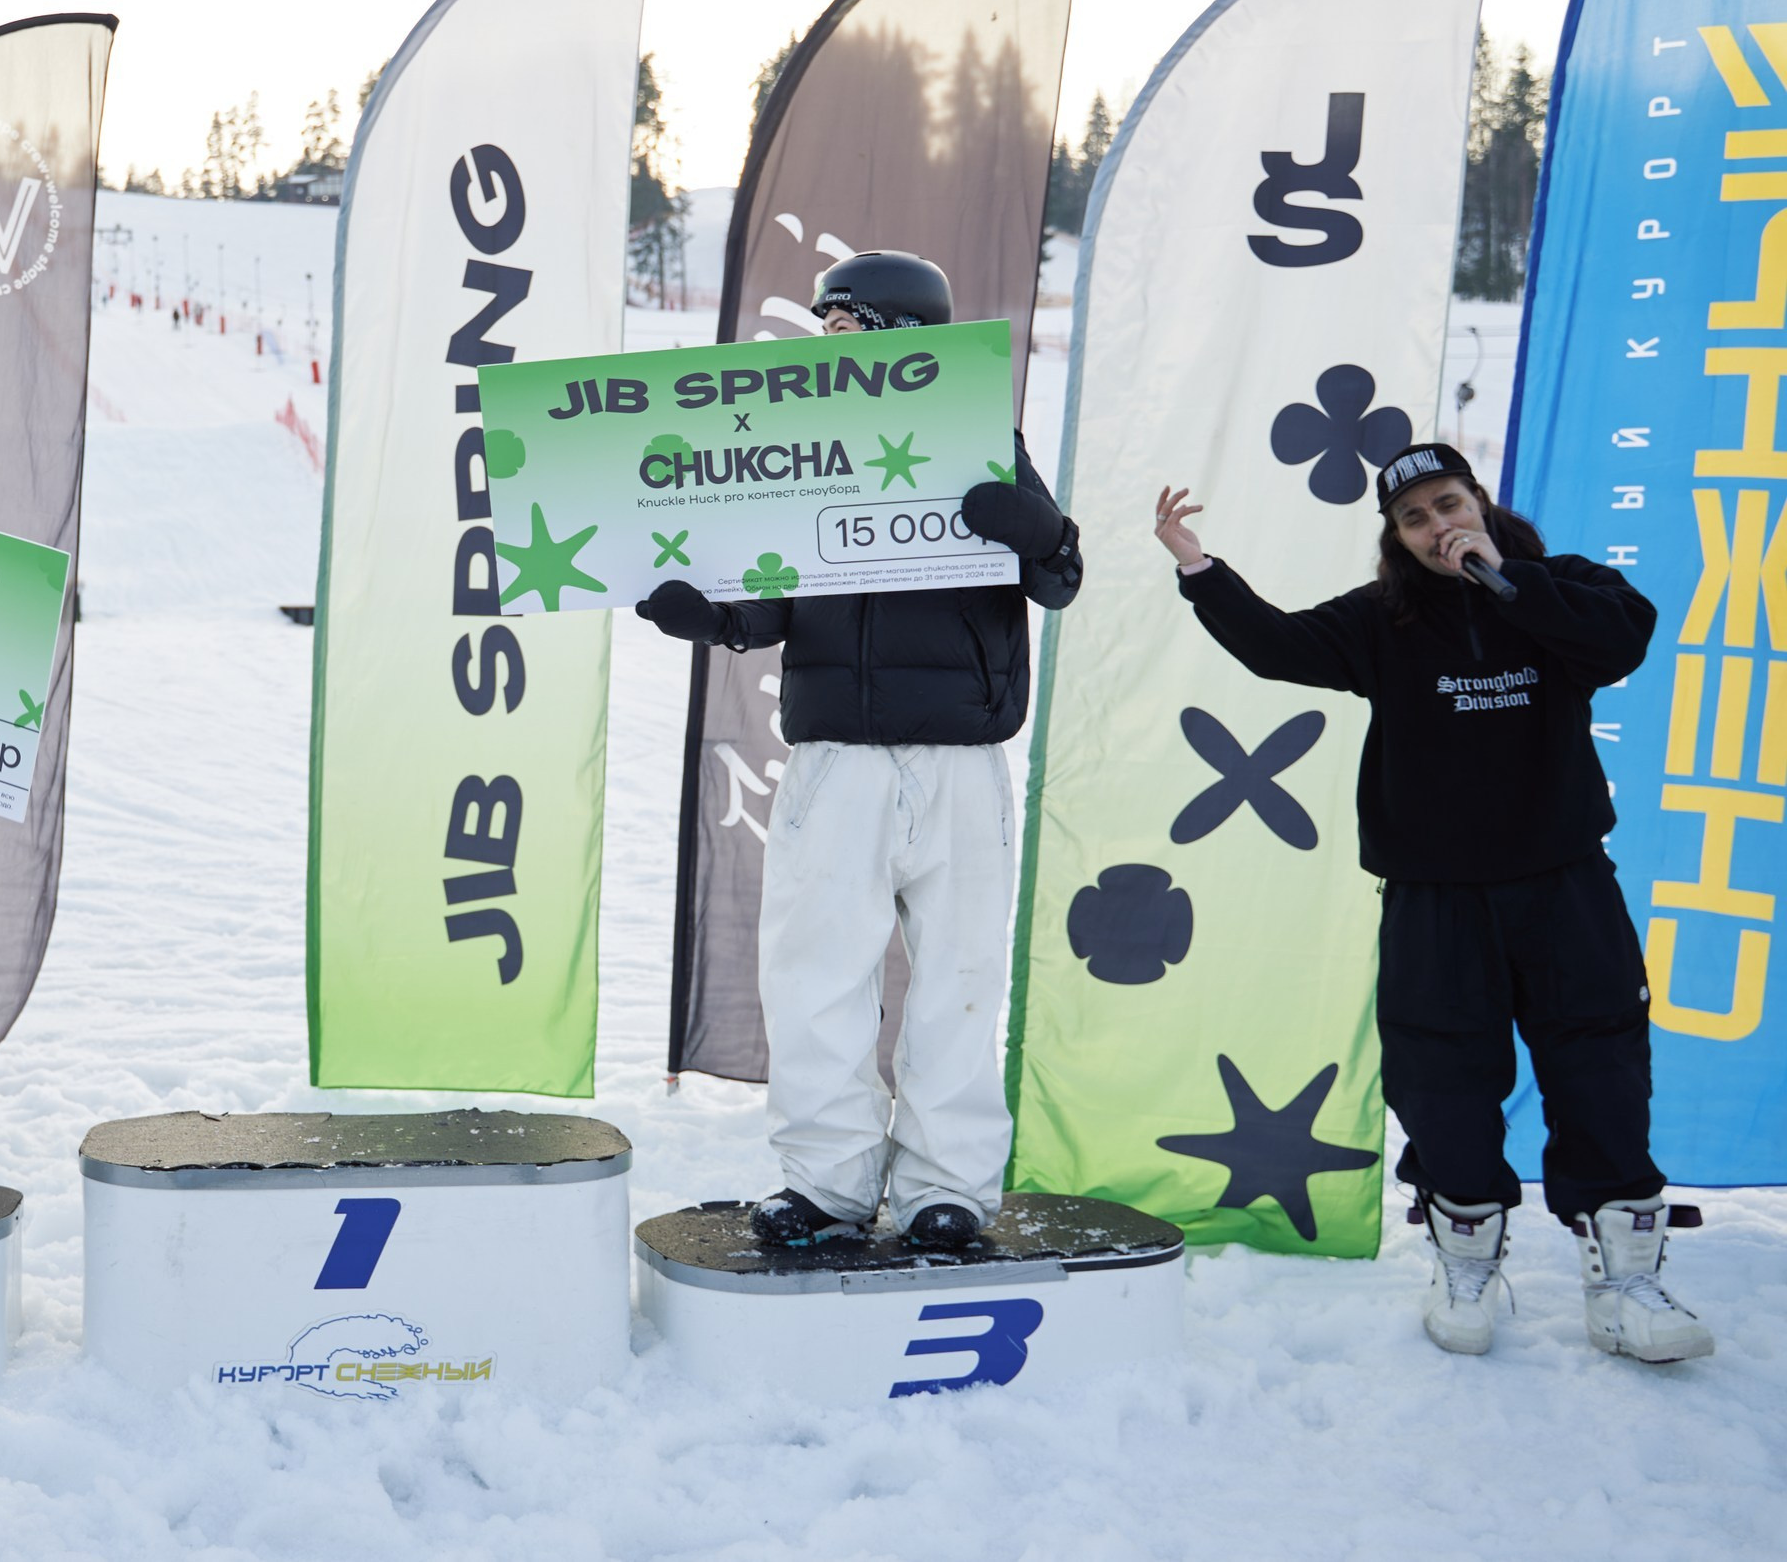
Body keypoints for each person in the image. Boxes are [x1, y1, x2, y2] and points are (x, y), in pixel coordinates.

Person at [1154, 443, 1713, 1363]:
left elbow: (1625, 640)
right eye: (1413, 519)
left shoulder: (1560, 590)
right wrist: (1198, 567)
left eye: (1448, 504)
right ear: (1397, 538)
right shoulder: (1385, 620)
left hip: (1564, 884)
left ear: (1480, 505)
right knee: (1441, 1075)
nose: (1436, 526)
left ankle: (1626, 1282)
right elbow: (1277, 646)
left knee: (1600, 1064)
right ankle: (1467, 1262)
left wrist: (1510, 586)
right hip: (1436, 899)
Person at [637, 251, 1083, 1250]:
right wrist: (715, 618)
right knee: (815, 975)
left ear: (903, 336)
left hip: (960, 754)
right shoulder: (803, 444)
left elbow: (1057, 575)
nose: (830, 350)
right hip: (836, 753)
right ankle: (828, 1182)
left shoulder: (980, 437)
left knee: (959, 977)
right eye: (824, 333)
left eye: (850, 332)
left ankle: (947, 1187)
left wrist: (1035, 530)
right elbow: (772, 593)